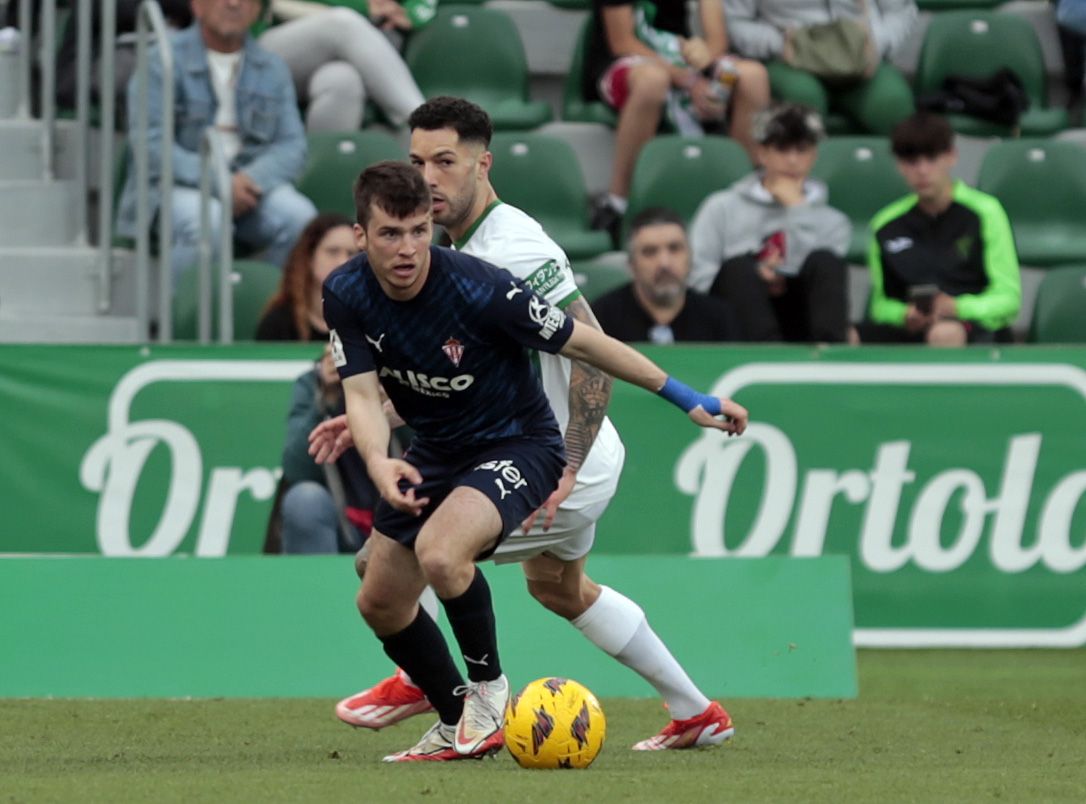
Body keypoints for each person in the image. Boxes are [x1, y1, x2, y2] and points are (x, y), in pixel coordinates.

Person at [324, 96, 741, 756]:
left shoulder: (512, 249)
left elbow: (589, 352)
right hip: (518, 442)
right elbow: (467, 362)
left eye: (444, 162)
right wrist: (381, 412)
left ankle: (427, 683)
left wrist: (571, 462)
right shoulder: (439, 248)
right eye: (416, 161)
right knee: (558, 587)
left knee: (408, 558)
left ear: (482, 164)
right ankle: (696, 711)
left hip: (561, 455)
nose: (427, 178)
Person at [115, 0, 317, 287]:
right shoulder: (162, 60)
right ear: (197, 6)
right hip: (177, 187)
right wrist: (220, 182)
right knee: (207, 219)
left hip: (248, 190)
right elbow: (151, 144)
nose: (234, 3)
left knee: (300, 217)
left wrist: (248, 179)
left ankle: (260, 314)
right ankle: (185, 323)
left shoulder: (272, 67)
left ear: (257, 10)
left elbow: (292, 146)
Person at [584, 0, 770, 242]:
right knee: (653, 81)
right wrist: (686, 79)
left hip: (682, 61)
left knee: (753, 76)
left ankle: (747, 200)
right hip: (630, 62)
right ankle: (618, 204)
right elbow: (622, 42)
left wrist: (705, 57)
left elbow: (717, 41)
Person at [689, 103, 851, 343]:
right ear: (762, 153)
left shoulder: (835, 222)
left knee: (826, 262)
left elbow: (825, 294)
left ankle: (828, 359)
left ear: (814, 155)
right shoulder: (720, 207)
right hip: (735, 321)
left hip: (801, 321)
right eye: (783, 149)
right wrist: (755, 276)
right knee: (738, 269)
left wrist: (798, 210)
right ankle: (765, 356)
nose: (793, 160)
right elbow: (697, 277)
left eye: (802, 149)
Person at [859, 112, 1021, 346]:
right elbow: (879, 305)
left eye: (932, 158)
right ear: (899, 165)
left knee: (944, 334)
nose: (922, 170)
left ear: (951, 157)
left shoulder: (986, 212)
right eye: (912, 161)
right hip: (910, 329)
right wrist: (903, 315)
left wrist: (957, 307)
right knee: (848, 336)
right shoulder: (884, 225)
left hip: (974, 328)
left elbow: (1008, 300)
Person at [724, 0, 916, 135]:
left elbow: (901, 11)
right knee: (804, 98)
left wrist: (875, 44)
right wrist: (780, 45)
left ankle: (894, 188)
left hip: (863, 57)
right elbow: (735, 20)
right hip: (791, 60)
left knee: (892, 102)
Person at [271, 345, 377, 554]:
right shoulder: (311, 384)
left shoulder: (403, 375)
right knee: (304, 500)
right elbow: (295, 468)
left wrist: (393, 401)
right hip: (340, 524)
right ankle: (314, 585)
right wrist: (325, 399)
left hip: (400, 515)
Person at [259, 1, 425, 131]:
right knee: (342, 23)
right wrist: (362, 5)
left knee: (342, 79)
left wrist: (408, 12)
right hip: (246, 52)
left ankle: (323, 169)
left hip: (304, 51)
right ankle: (424, 123)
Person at [592, 207, 740, 343]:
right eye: (650, 252)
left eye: (674, 249)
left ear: (690, 257)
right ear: (632, 264)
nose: (664, 263)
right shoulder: (600, 320)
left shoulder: (719, 319)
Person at [256, 212, 357, 341]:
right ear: (309, 257)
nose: (343, 262)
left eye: (352, 254)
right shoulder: (280, 323)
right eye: (333, 252)